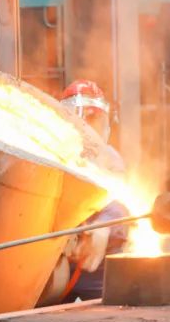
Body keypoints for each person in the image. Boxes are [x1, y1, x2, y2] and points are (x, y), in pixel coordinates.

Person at [46, 80, 129, 303]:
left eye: (95, 121)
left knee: (112, 314)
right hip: (56, 260)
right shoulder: (50, 156)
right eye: (85, 121)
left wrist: (103, 227)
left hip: (99, 263)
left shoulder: (110, 160)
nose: (89, 130)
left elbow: (120, 201)